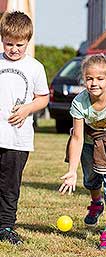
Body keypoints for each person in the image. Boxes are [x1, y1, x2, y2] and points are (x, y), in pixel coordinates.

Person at [59, 54, 106, 250]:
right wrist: (72, 170)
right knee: (91, 179)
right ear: (84, 79)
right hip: (89, 141)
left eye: (100, 79)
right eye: (89, 78)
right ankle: (96, 203)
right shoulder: (79, 102)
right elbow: (76, 137)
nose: (94, 83)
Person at [0, 11, 49, 244]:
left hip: (17, 138)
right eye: (9, 44)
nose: (14, 49)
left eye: (19, 44)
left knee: (10, 185)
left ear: (28, 41)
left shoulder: (35, 67)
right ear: (2, 40)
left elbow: (43, 98)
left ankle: (6, 226)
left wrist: (27, 109)